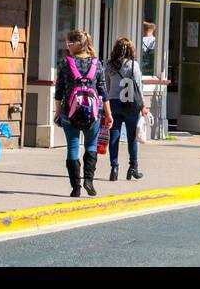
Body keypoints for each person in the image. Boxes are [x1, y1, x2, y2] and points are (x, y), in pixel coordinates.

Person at [53, 29, 111, 197]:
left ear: (77, 44)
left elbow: (59, 91)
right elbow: (103, 91)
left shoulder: (65, 63)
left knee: (72, 147)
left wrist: (57, 111)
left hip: (69, 113)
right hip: (93, 114)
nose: (67, 47)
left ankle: (75, 187)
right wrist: (108, 114)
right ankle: (89, 180)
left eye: (69, 43)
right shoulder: (97, 63)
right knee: (91, 146)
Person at [106, 37, 148, 181]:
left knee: (114, 137)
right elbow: (138, 86)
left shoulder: (109, 65)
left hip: (113, 104)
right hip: (130, 104)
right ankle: (133, 167)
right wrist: (142, 105)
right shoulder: (133, 65)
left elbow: (106, 85)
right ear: (131, 50)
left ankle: (114, 167)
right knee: (132, 138)